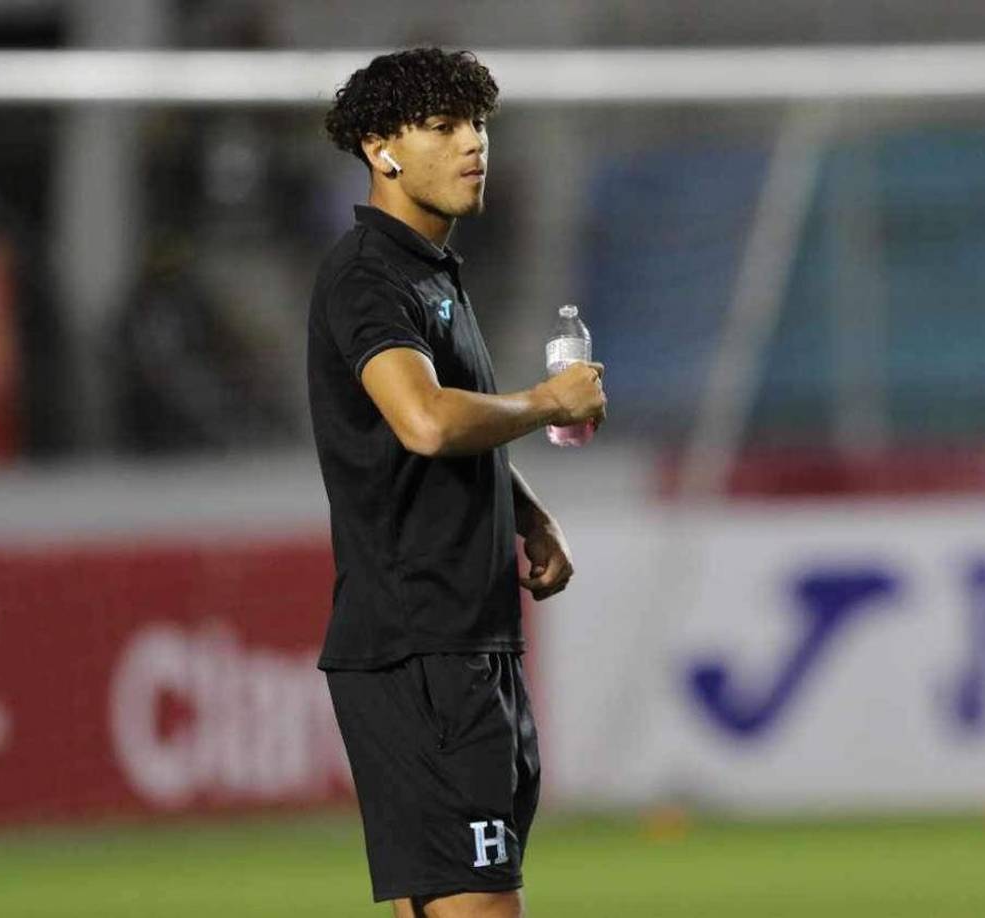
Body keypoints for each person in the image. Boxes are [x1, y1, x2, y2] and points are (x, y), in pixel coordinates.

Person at [307, 48, 607, 918]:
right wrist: (547, 399)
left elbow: (448, 432)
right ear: (380, 148)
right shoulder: (369, 276)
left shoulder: (428, 273)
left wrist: (527, 512)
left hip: (465, 640)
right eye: (443, 126)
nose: (474, 144)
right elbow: (427, 422)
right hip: (423, 647)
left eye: (477, 124)